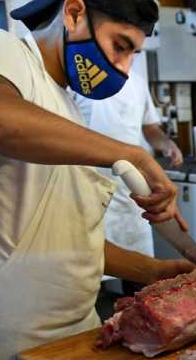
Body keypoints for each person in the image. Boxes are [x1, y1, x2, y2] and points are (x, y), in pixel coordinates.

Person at [0, 0, 194, 360]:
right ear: (73, 14)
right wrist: (132, 154)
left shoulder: (66, 109)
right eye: (120, 46)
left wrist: (155, 272)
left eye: (133, 54)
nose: (124, 68)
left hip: (72, 351)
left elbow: (65, 239)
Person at [76, 56, 183, 268]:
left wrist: (167, 144)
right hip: (88, 187)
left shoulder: (137, 82)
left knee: (139, 268)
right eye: (120, 46)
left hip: (133, 190)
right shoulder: (80, 81)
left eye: (133, 50)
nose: (127, 57)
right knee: (92, 266)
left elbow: (150, 128)